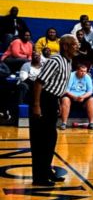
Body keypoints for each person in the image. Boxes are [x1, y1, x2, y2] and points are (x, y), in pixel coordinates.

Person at [29, 34, 77, 186]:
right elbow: (38, 82)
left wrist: (56, 102)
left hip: (51, 100)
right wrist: (37, 105)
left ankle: (47, 170)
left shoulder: (68, 61)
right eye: (74, 44)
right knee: (40, 141)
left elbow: (57, 86)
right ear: (65, 46)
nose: (77, 46)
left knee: (50, 139)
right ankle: (39, 178)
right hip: (43, 99)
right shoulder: (56, 60)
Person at [59, 64, 93, 130]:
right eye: (81, 71)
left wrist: (83, 97)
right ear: (77, 70)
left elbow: (90, 91)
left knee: (92, 99)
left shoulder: (87, 77)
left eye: (85, 71)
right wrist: (75, 97)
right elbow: (66, 90)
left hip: (83, 98)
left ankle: (91, 123)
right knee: (65, 99)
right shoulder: (71, 75)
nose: (83, 73)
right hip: (71, 96)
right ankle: (64, 123)